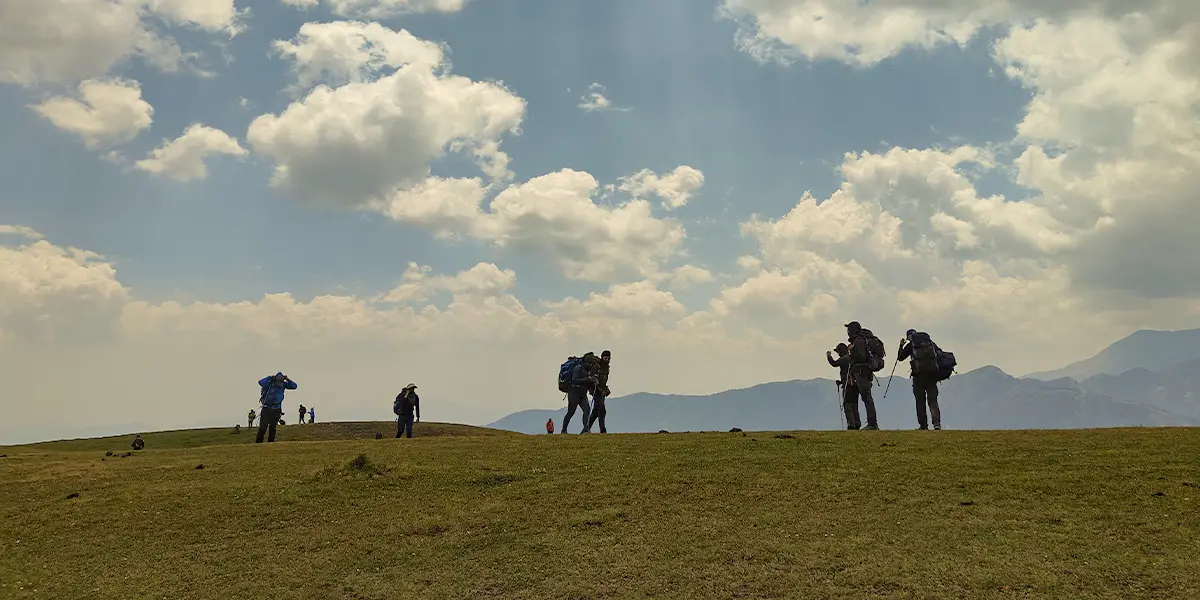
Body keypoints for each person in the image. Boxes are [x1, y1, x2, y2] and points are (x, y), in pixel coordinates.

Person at [898, 329, 943, 430]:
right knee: (932, 400)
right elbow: (940, 353)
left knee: (920, 401)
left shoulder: (911, 345)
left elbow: (900, 358)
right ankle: (936, 424)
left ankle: (923, 425)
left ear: (909, 337)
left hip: (918, 377)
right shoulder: (930, 343)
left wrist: (901, 345)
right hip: (932, 376)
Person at [843, 321, 879, 430]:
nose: (847, 332)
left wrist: (851, 350)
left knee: (866, 397)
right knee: (866, 397)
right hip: (865, 372)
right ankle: (871, 423)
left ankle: (872, 424)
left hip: (860, 372)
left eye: (848, 329)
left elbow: (861, 357)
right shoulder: (864, 340)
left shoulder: (858, 341)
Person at [256, 372, 297, 443]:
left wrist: (287, 379)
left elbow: (294, 386)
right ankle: (258, 443)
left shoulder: (283, 384)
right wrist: (269, 377)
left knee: (273, 427)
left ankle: (271, 443)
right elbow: (260, 382)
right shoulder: (269, 383)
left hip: (276, 409)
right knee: (263, 427)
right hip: (266, 408)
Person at [561, 352, 596, 434]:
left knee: (587, 410)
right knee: (571, 412)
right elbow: (574, 380)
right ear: (586, 362)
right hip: (574, 393)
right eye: (590, 363)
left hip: (582, 393)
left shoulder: (586, 369)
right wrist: (589, 379)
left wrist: (592, 381)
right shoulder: (578, 368)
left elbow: (586, 380)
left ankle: (585, 429)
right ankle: (564, 430)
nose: (590, 365)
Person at [586, 350, 613, 433]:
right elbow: (591, 377)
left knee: (595, 411)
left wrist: (606, 390)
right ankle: (602, 430)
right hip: (595, 390)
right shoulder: (597, 366)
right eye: (606, 358)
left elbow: (604, 381)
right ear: (602, 357)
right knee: (602, 410)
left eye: (609, 358)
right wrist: (599, 389)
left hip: (602, 392)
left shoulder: (606, 368)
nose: (607, 359)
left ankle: (586, 429)